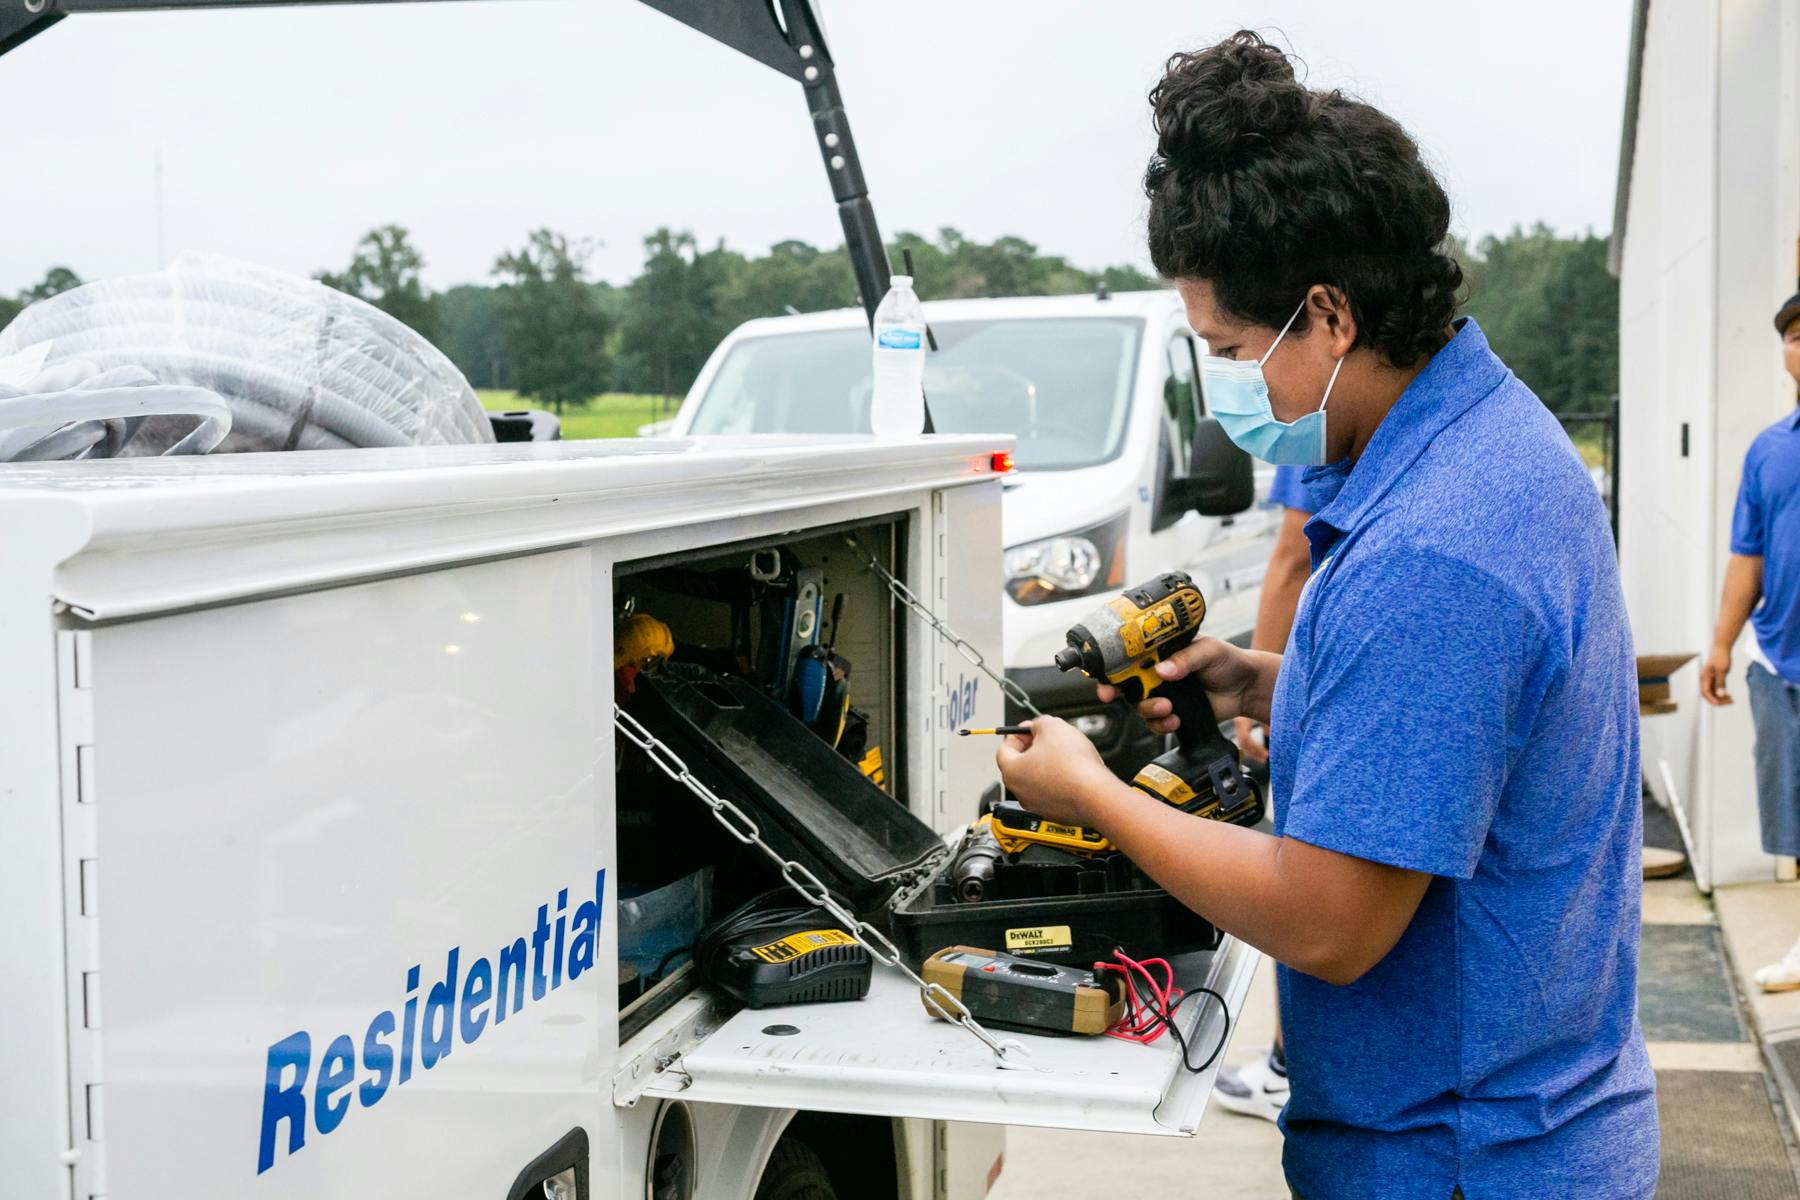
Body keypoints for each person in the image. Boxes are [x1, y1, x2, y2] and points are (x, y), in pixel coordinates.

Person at [996, 31, 1657, 1200]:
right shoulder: (1493, 445)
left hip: (1459, 1158)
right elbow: (1469, 736)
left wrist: (1090, 793)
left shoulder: (1433, 557)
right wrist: (1277, 680)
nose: (1234, 387)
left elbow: (1330, 923)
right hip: (1532, 1116)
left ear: (1330, 316)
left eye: (1235, 351)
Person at [1701, 290, 1800, 991]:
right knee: (1792, 821)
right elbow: (1749, 555)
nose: (1798, 346)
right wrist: (1722, 645)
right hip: (1778, 661)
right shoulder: (1769, 450)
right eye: (1792, 335)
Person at [1212, 462, 1313, 1123]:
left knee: (1305, 883)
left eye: (1233, 351)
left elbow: (1290, 558)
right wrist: (1255, 679)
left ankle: (1288, 1064)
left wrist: (1096, 798)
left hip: (1322, 696)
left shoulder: (1322, 421)